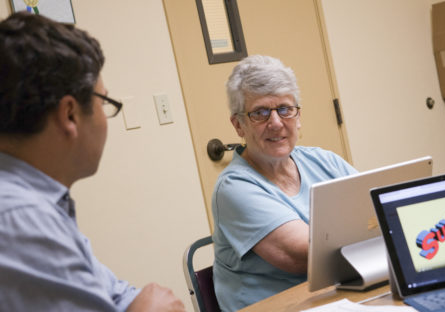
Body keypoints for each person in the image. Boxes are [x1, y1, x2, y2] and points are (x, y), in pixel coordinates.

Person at [0, 12, 185, 312]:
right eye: (104, 103)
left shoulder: (42, 203)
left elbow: (110, 291)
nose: (104, 117)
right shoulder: (21, 219)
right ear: (70, 115)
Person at [211, 55, 358, 311]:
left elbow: (382, 210)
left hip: (335, 298)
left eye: (285, 109)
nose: (276, 122)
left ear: (298, 116)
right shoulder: (234, 188)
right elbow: (306, 256)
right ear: (239, 125)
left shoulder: (324, 161)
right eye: (260, 113)